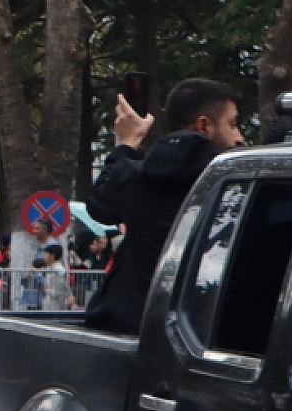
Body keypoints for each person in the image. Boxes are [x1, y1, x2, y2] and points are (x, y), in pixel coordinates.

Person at [85, 77, 245, 334]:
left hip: (127, 326)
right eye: (233, 124)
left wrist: (127, 143)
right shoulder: (237, 185)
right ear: (203, 125)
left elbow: (99, 206)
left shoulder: (132, 176)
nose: (240, 137)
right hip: (201, 334)